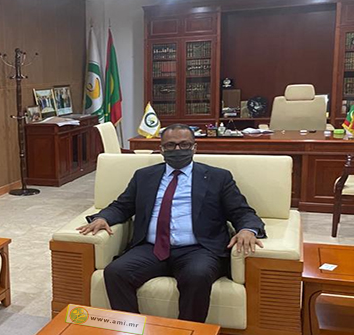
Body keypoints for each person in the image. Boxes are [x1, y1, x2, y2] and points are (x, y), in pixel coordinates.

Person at [77, 124, 264, 322]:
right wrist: (103, 218)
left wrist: (247, 229)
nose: (177, 149)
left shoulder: (218, 177)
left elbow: (241, 211)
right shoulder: (144, 176)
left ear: (194, 147)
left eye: (184, 145)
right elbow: (122, 206)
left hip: (199, 249)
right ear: (161, 149)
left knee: (197, 275)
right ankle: (132, 331)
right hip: (151, 248)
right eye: (170, 145)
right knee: (116, 272)